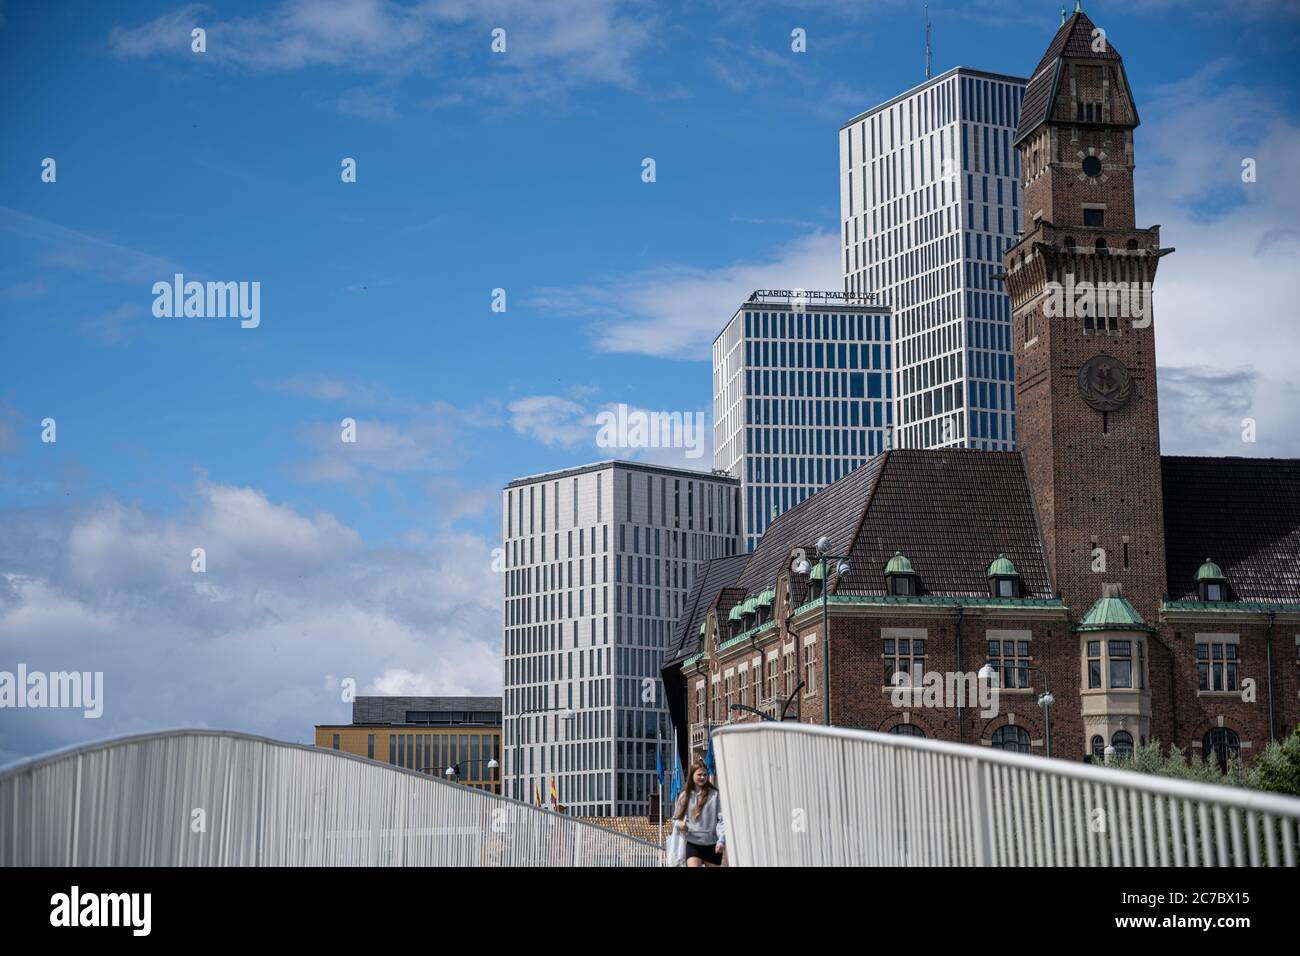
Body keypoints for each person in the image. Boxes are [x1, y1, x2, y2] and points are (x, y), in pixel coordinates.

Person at [673, 758, 725, 866]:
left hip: (712, 844)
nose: (702, 777)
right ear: (692, 775)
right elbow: (675, 820)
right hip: (693, 843)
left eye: (705, 775)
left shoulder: (715, 795)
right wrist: (680, 824)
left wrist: (721, 840)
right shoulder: (685, 796)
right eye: (699, 774)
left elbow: (722, 820)